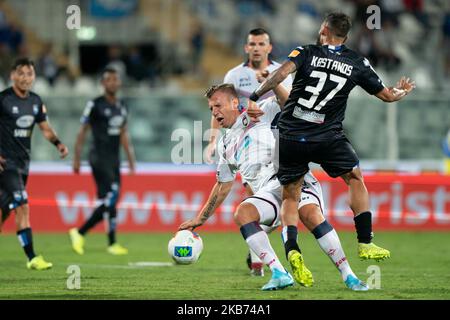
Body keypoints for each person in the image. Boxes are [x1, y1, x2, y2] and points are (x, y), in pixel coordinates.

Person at [248, 12, 415, 262]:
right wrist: (402, 91)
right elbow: (387, 96)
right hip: (327, 137)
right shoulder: (357, 62)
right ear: (346, 36)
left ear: (324, 29)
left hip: (292, 134)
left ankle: (292, 248)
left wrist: (254, 96)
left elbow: (279, 76)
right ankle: (365, 242)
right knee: (355, 178)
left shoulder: (306, 52)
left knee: (291, 194)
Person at [180, 83, 368, 291]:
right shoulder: (225, 146)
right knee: (243, 213)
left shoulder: (260, 112)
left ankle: (349, 275)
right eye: (211, 109)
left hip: (292, 178)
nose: (215, 113)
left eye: (218, 106)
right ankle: (279, 273)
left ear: (235, 103)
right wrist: (201, 218)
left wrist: (267, 88)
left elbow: (286, 102)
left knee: (310, 214)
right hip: (268, 192)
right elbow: (223, 185)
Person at [206, 28, 294, 276]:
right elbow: (220, 105)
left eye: (261, 43)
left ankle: (258, 246)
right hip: (249, 143)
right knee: (255, 197)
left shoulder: (284, 72)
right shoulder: (235, 74)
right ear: (246, 48)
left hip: (280, 139)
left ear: (269, 47)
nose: (256, 47)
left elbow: (291, 103)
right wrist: (213, 141)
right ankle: (258, 263)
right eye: (252, 43)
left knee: (276, 208)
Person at [0, 58, 69, 270]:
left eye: (29, 74)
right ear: (12, 75)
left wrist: (58, 143)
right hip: (5, 163)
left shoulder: (36, 101)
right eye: (20, 73)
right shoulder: (3, 100)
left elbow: (45, 128)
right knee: (23, 205)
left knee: (4, 211)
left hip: (23, 164)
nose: (25, 78)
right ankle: (32, 257)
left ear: (34, 77)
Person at [70, 68, 135, 256]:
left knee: (111, 201)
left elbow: (123, 133)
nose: (113, 83)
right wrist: (76, 158)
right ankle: (80, 232)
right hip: (98, 157)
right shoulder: (95, 104)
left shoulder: (123, 105)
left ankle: (111, 242)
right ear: (103, 83)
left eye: (116, 79)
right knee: (112, 197)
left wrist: (130, 159)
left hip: (114, 158)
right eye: (109, 80)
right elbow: (82, 131)